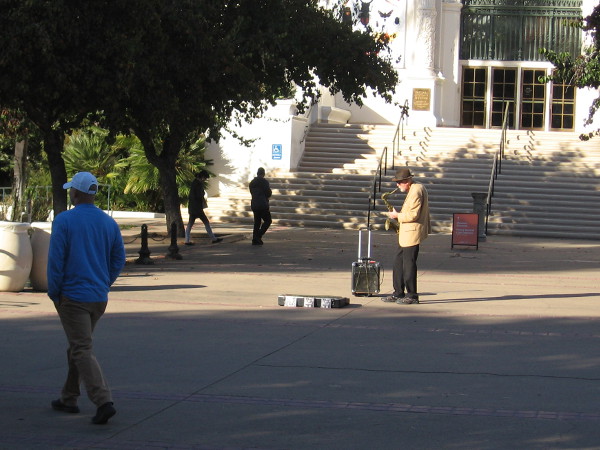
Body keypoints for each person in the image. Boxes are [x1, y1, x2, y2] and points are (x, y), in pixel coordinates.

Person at [47, 171, 126, 424]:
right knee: (77, 345)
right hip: (98, 296)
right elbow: (119, 258)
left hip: (73, 296)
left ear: (77, 193)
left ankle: (103, 400)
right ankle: (69, 397)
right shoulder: (108, 222)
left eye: (71, 189)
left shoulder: (64, 220)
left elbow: (56, 260)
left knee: (81, 348)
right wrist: (105, 281)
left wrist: (54, 291)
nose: (70, 192)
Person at [382, 168, 431, 305]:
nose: (397, 185)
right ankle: (398, 292)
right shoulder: (414, 188)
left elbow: (413, 215)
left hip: (412, 233)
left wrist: (397, 216)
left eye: (399, 182)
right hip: (406, 233)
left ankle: (412, 295)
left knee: (408, 264)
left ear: (407, 181)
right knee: (398, 262)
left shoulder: (416, 190)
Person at [185, 170, 222, 245]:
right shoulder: (198, 184)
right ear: (202, 177)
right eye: (205, 178)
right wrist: (202, 193)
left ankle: (187, 240)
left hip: (192, 207)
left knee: (190, 224)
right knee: (206, 222)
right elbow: (198, 195)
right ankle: (213, 239)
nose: (205, 180)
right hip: (197, 208)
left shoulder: (194, 183)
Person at [249, 167, 272, 245]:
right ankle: (258, 235)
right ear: (263, 174)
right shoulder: (264, 182)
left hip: (254, 204)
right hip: (263, 204)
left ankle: (255, 239)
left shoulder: (252, 182)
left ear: (257, 173)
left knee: (257, 222)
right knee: (268, 220)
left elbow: (251, 192)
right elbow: (268, 193)